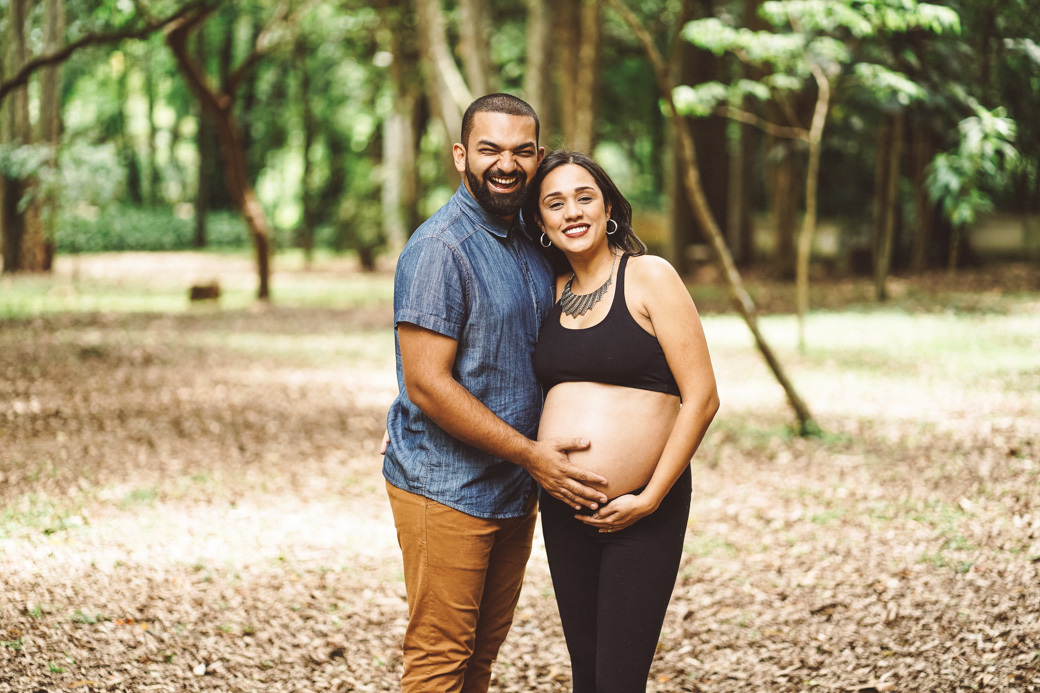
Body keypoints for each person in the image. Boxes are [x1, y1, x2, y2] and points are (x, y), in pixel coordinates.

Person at [383, 95, 609, 693]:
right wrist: (534, 455)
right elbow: (427, 384)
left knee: (480, 657)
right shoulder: (440, 248)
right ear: (462, 156)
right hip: (446, 486)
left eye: (520, 151)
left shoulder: (534, 244)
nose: (505, 164)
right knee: (440, 659)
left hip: (514, 489)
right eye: (490, 150)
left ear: (536, 158)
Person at [523, 150, 720, 692]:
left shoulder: (650, 276)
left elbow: (702, 397)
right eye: (555, 203)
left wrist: (651, 496)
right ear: (541, 222)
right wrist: (411, 411)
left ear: (607, 205)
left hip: (643, 509)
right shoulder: (549, 292)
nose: (572, 212)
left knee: (619, 679)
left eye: (584, 197)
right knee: (586, 674)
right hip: (566, 509)